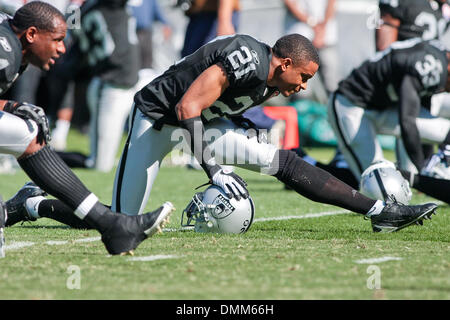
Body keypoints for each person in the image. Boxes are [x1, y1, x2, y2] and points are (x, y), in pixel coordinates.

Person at [6, 33, 439, 234]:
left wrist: (240, 130)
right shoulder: (247, 59)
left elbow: (208, 111)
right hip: (159, 121)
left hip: (200, 125)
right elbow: (186, 107)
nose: (303, 87)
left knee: (282, 161)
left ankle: (378, 211)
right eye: (303, 76)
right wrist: (214, 171)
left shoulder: (270, 78)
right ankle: (36, 203)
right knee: (119, 221)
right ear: (284, 62)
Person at [0, 1, 173, 257]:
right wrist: (12, 105)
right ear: (32, 34)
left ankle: (111, 225)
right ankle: (112, 226)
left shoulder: (15, 42)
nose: (61, 49)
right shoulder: (5, 52)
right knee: (27, 132)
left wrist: (10, 105)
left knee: (29, 132)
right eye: (57, 40)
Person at [328, 38, 450, 198]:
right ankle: (311, 164)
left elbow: (418, 111)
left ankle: (442, 166)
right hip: (351, 105)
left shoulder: (437, 54)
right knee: (378, 184)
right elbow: (407, 122)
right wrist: (422, 171)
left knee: (445, 130)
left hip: (384, 108)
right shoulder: (432, 67)